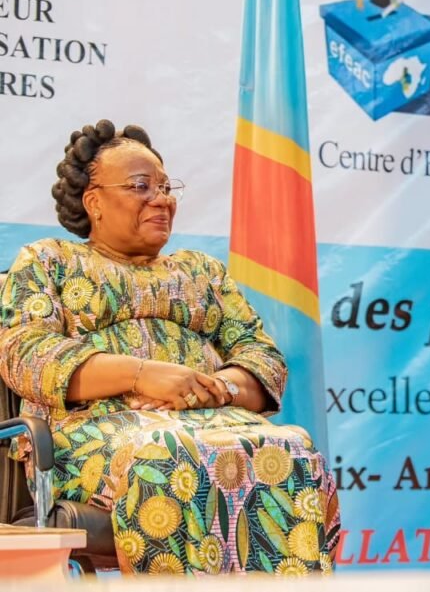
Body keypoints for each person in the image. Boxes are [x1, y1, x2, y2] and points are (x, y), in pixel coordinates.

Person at [0, 120, 339, 575]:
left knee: (294, 447)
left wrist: (213, 388)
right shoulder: (49, 261)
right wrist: (143, 376)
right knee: (166, 449)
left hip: (213, 421)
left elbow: (263, 358)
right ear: (94, 202)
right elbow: (25, 353)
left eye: (165, 187)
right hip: (91, 434)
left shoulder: (202, 272)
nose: (161, 199)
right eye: (141, 186)